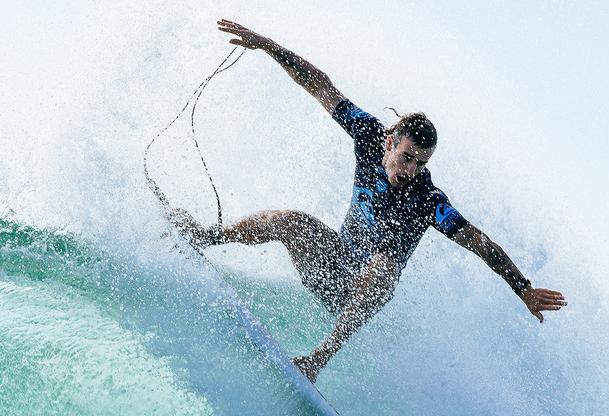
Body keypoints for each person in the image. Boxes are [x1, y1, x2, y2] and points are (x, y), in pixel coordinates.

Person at [169, 19, 567, 383]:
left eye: (420, 163)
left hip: (361, 295)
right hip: (329, 267)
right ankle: (207, 236)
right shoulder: (367, 135)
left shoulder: (427, 199)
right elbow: (318, 83)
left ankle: (316, 361)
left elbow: (477, 241)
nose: (410, 169)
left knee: (382, 266)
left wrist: (523, 288)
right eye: (407, 157)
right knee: (289, 219)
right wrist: (267, 45)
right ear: (391, 142)